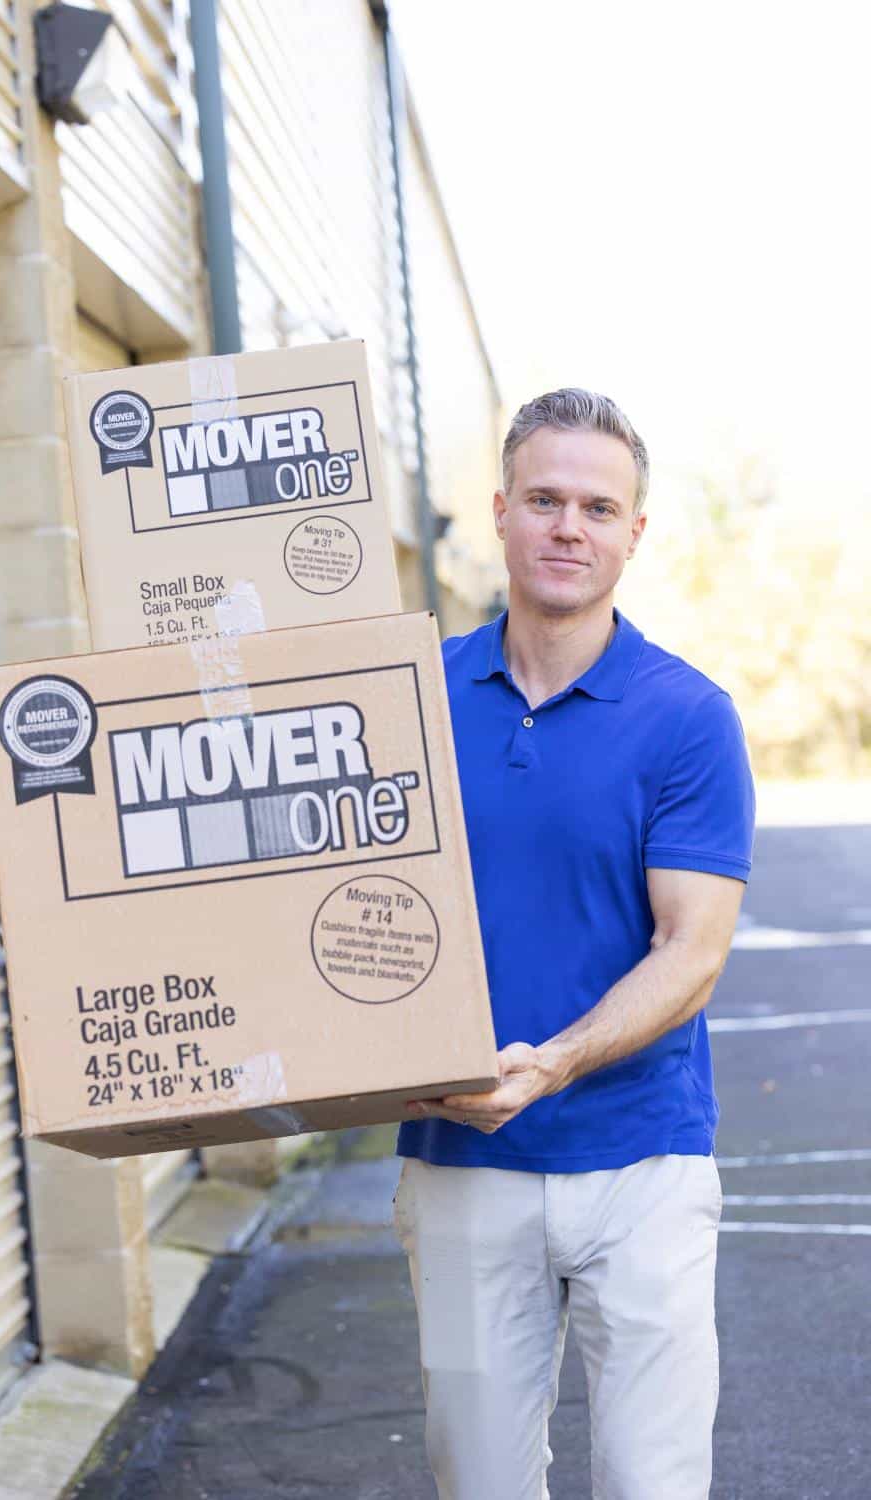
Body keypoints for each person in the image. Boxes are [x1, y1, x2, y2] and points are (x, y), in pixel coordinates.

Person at [394, 389, 755, 1500]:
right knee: (479, 1484)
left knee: (654, 1482)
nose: (568, 527)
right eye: (544, 499)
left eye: (598, 507)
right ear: (499, 512)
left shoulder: (684, 716)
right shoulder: (408, 698)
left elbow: (690, 950)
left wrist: (552, 1063)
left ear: (632, 534)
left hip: (641, 1161)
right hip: (459, 1161)